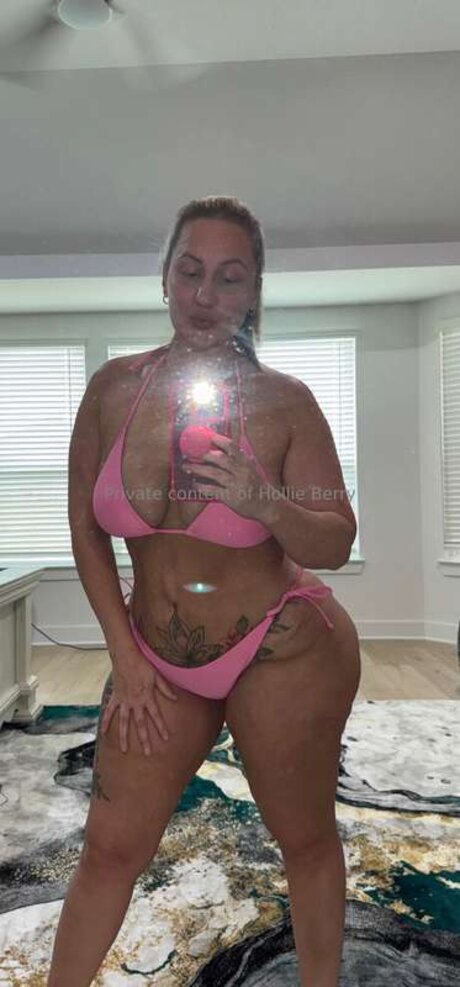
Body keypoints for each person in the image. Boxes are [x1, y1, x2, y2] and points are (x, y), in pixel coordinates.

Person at [47, 195, 361, 987]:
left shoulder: (286, 402)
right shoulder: (112, 389)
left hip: (280, 648)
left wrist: (264, 502)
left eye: (229, 277)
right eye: (189, 271)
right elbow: (84, 527)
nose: (204, 294)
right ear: (164, 277)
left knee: (303, 839)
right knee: (110, 848)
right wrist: (125, 656)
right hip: (154, 657)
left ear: (253, 291)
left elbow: (334, 539)